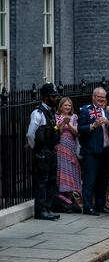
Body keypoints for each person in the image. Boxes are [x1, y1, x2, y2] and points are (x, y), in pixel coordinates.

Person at [26, 83, 61, 220]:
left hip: (51, 150)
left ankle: (47, 207)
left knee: (51, 180)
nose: (55, 98)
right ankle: (40, 210)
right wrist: (34, 147)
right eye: (53, 96)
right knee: (42, 181)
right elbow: (30, 133)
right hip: (43, 151)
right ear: (45, 97)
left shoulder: (50, 111)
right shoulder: (38, 113)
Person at [78, 87, 109, 216]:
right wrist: (93, 125)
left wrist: (108, 122)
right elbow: (80, 129)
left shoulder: (107, 112)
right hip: (91, 151)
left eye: (103, 98)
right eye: (99, 98)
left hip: (105, 150)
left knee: (103, 180)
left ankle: (99, 205)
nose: (101, 100)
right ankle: (87, 206)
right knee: (90, 179)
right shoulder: (86, 111)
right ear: (93, 97)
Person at [54, 97, 81, 209]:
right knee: (62, 171)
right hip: (61, 147)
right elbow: (56, 131)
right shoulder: (56, 116)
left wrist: (68, 123)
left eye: (69, 105)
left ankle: (70, 199)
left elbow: (76, 132)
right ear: (61, 106)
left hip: (71, 147)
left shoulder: (74, 117)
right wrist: (61, 123)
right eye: (65, 105)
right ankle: (62, 199)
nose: (67, 107)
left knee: (70, 170)